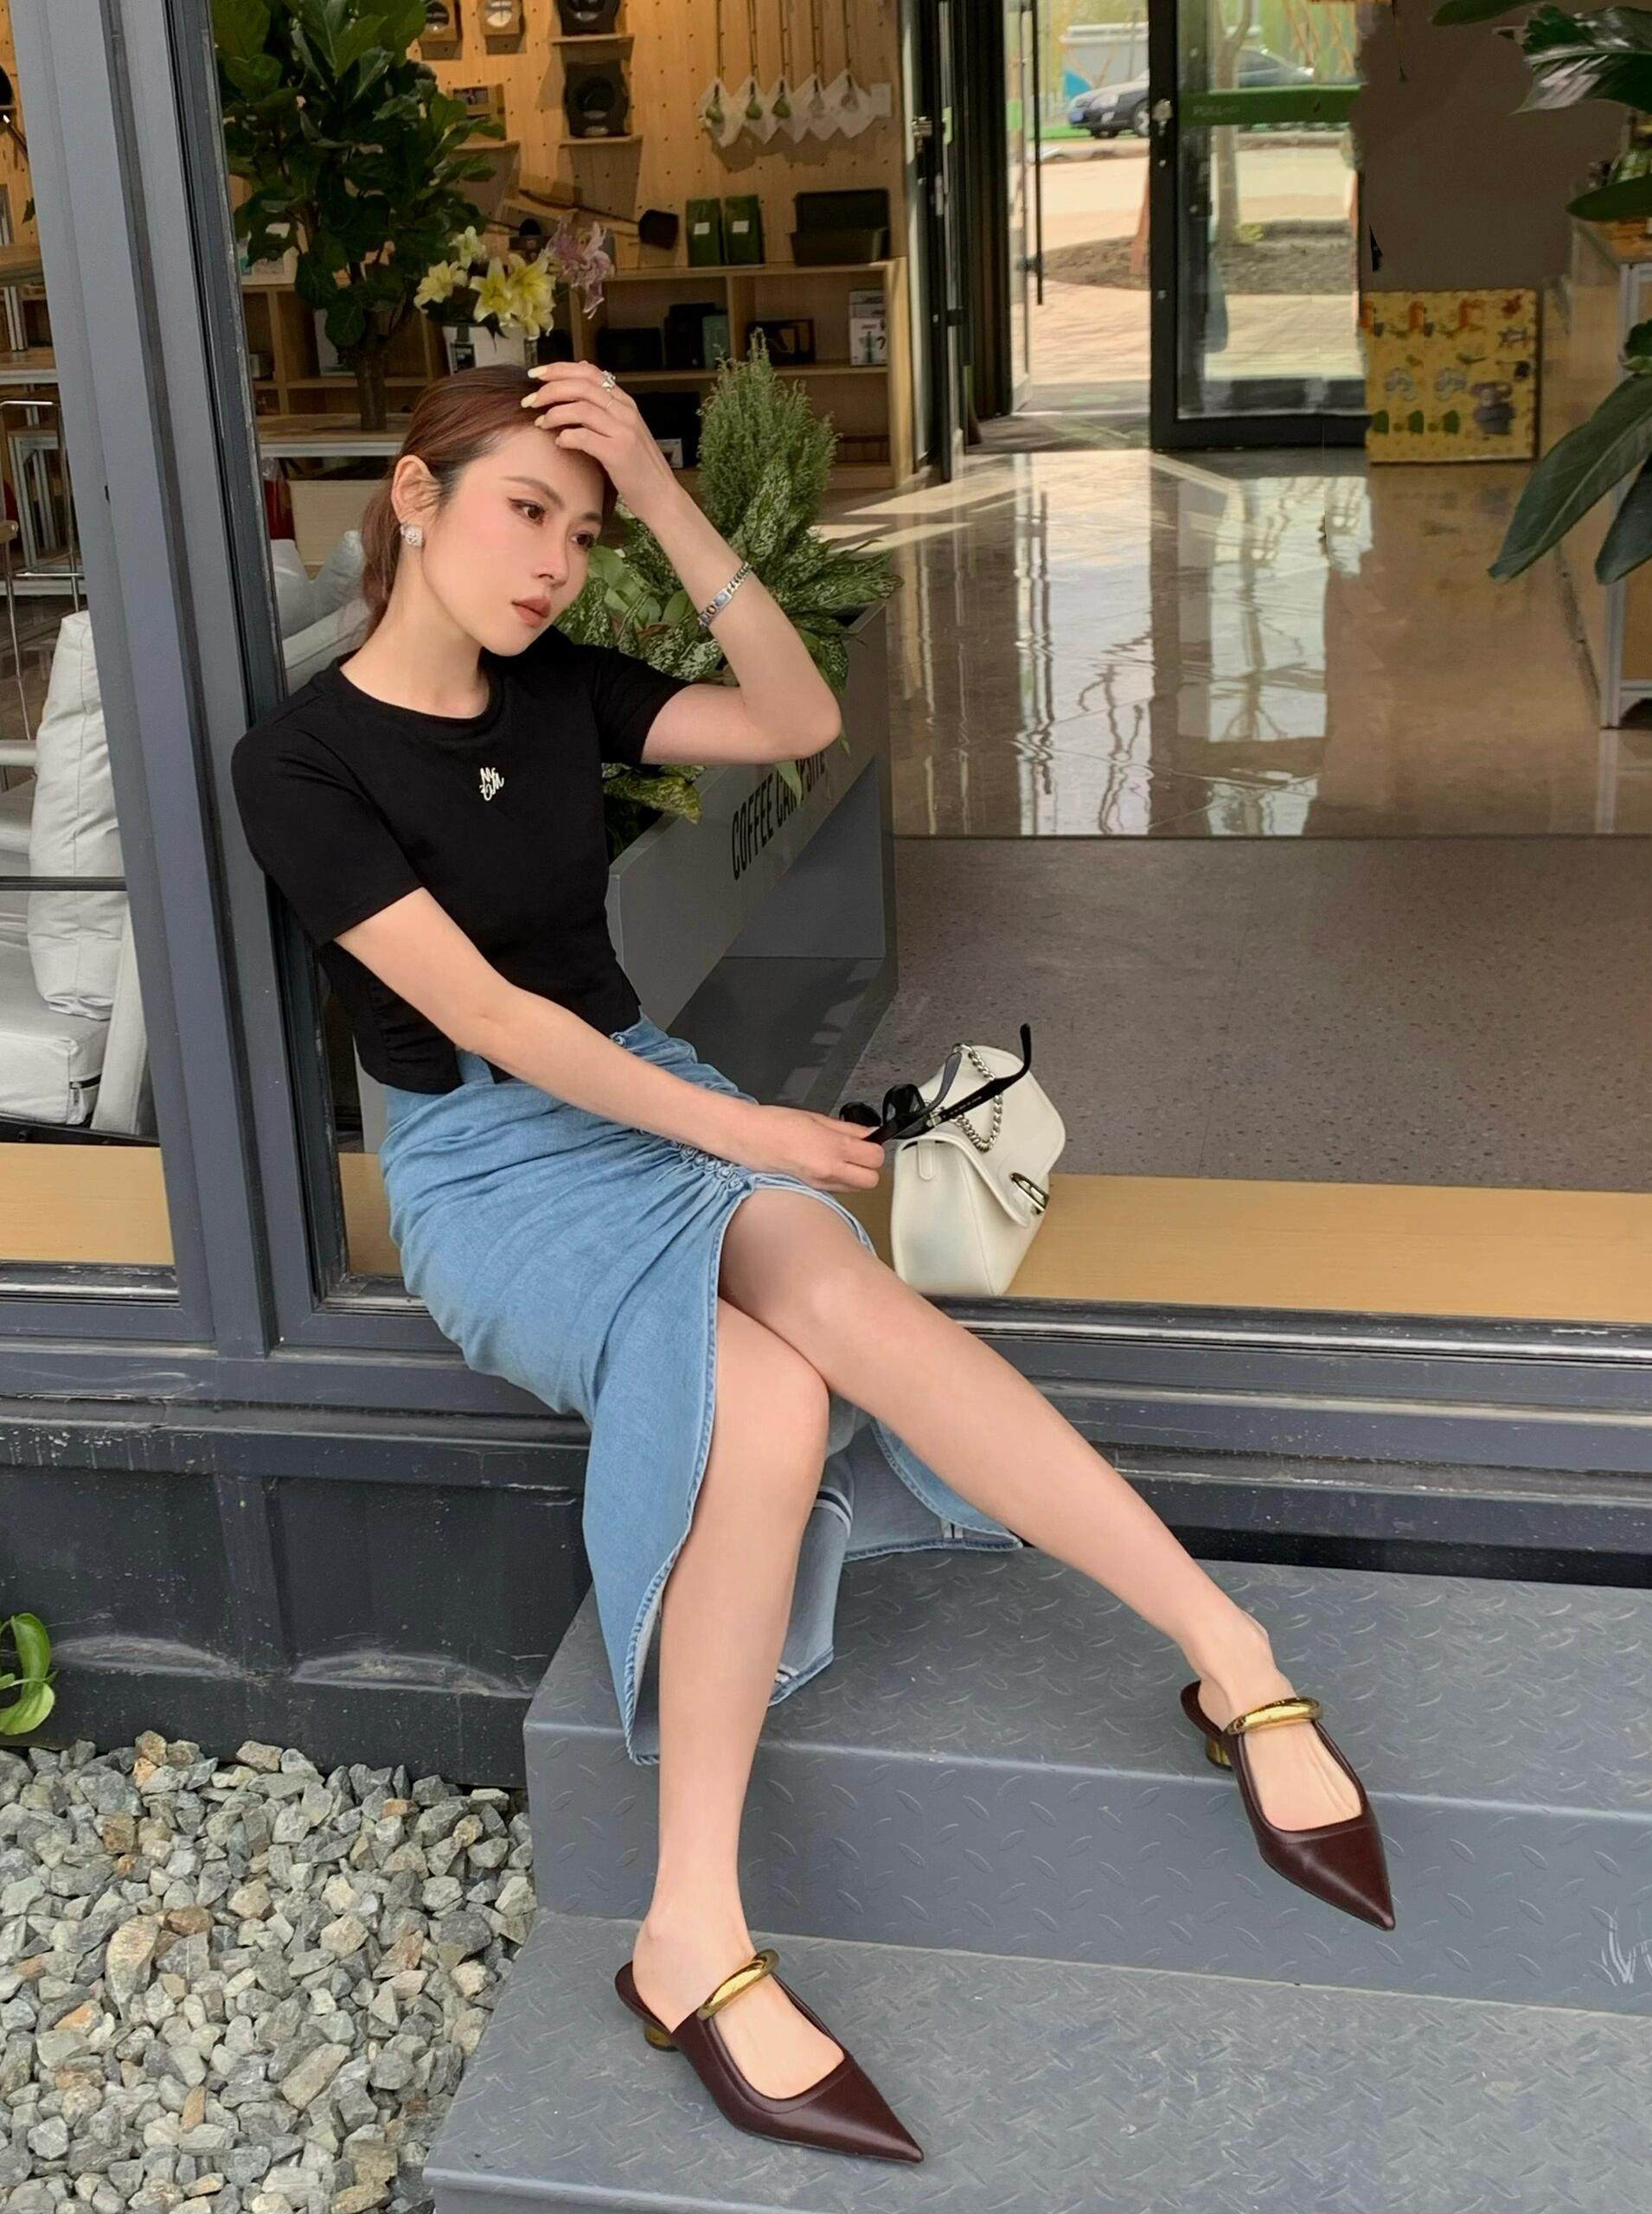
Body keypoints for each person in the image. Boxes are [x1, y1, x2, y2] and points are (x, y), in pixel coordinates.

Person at [230, 360, 1394, 2166]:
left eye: (580, 530)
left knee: (842, 1299)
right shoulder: (300, 760)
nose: (553, 561)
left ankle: (1223, 1647)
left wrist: (661, 494)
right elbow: (491, 1020)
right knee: (765, 1396)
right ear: (414, 497)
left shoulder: (561, 689)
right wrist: (757, 1132)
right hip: (487, 1159)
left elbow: (792, 714)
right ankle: (693, 1922)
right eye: (526, 511)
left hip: (648, 1095)